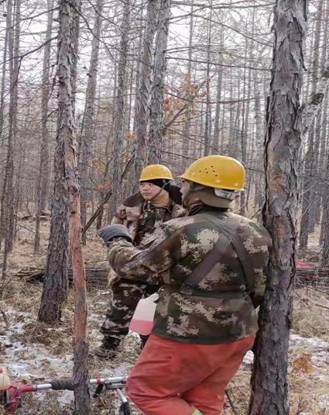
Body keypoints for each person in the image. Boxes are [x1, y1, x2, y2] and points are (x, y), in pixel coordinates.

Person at [99, 155, 271, 415]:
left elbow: (133, 267)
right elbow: (259, 289)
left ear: (199, 191)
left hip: (187, 333)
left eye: (187, 184)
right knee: (205, 399)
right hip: (238, 332)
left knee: (145, 391)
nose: (182, 189)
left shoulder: (180, 228)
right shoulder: (256, 230)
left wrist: (118, 241)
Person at [95, 164, 186, 358]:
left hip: (167, 267)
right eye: (142, 184)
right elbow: (115, 231)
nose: (145, 188)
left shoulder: (184, 209)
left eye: (151, 184)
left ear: (165, 185)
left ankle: (149, 344)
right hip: (135, 264)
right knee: (124, 294)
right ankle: (110, 344)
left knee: (161, 305)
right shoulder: (130, 207)